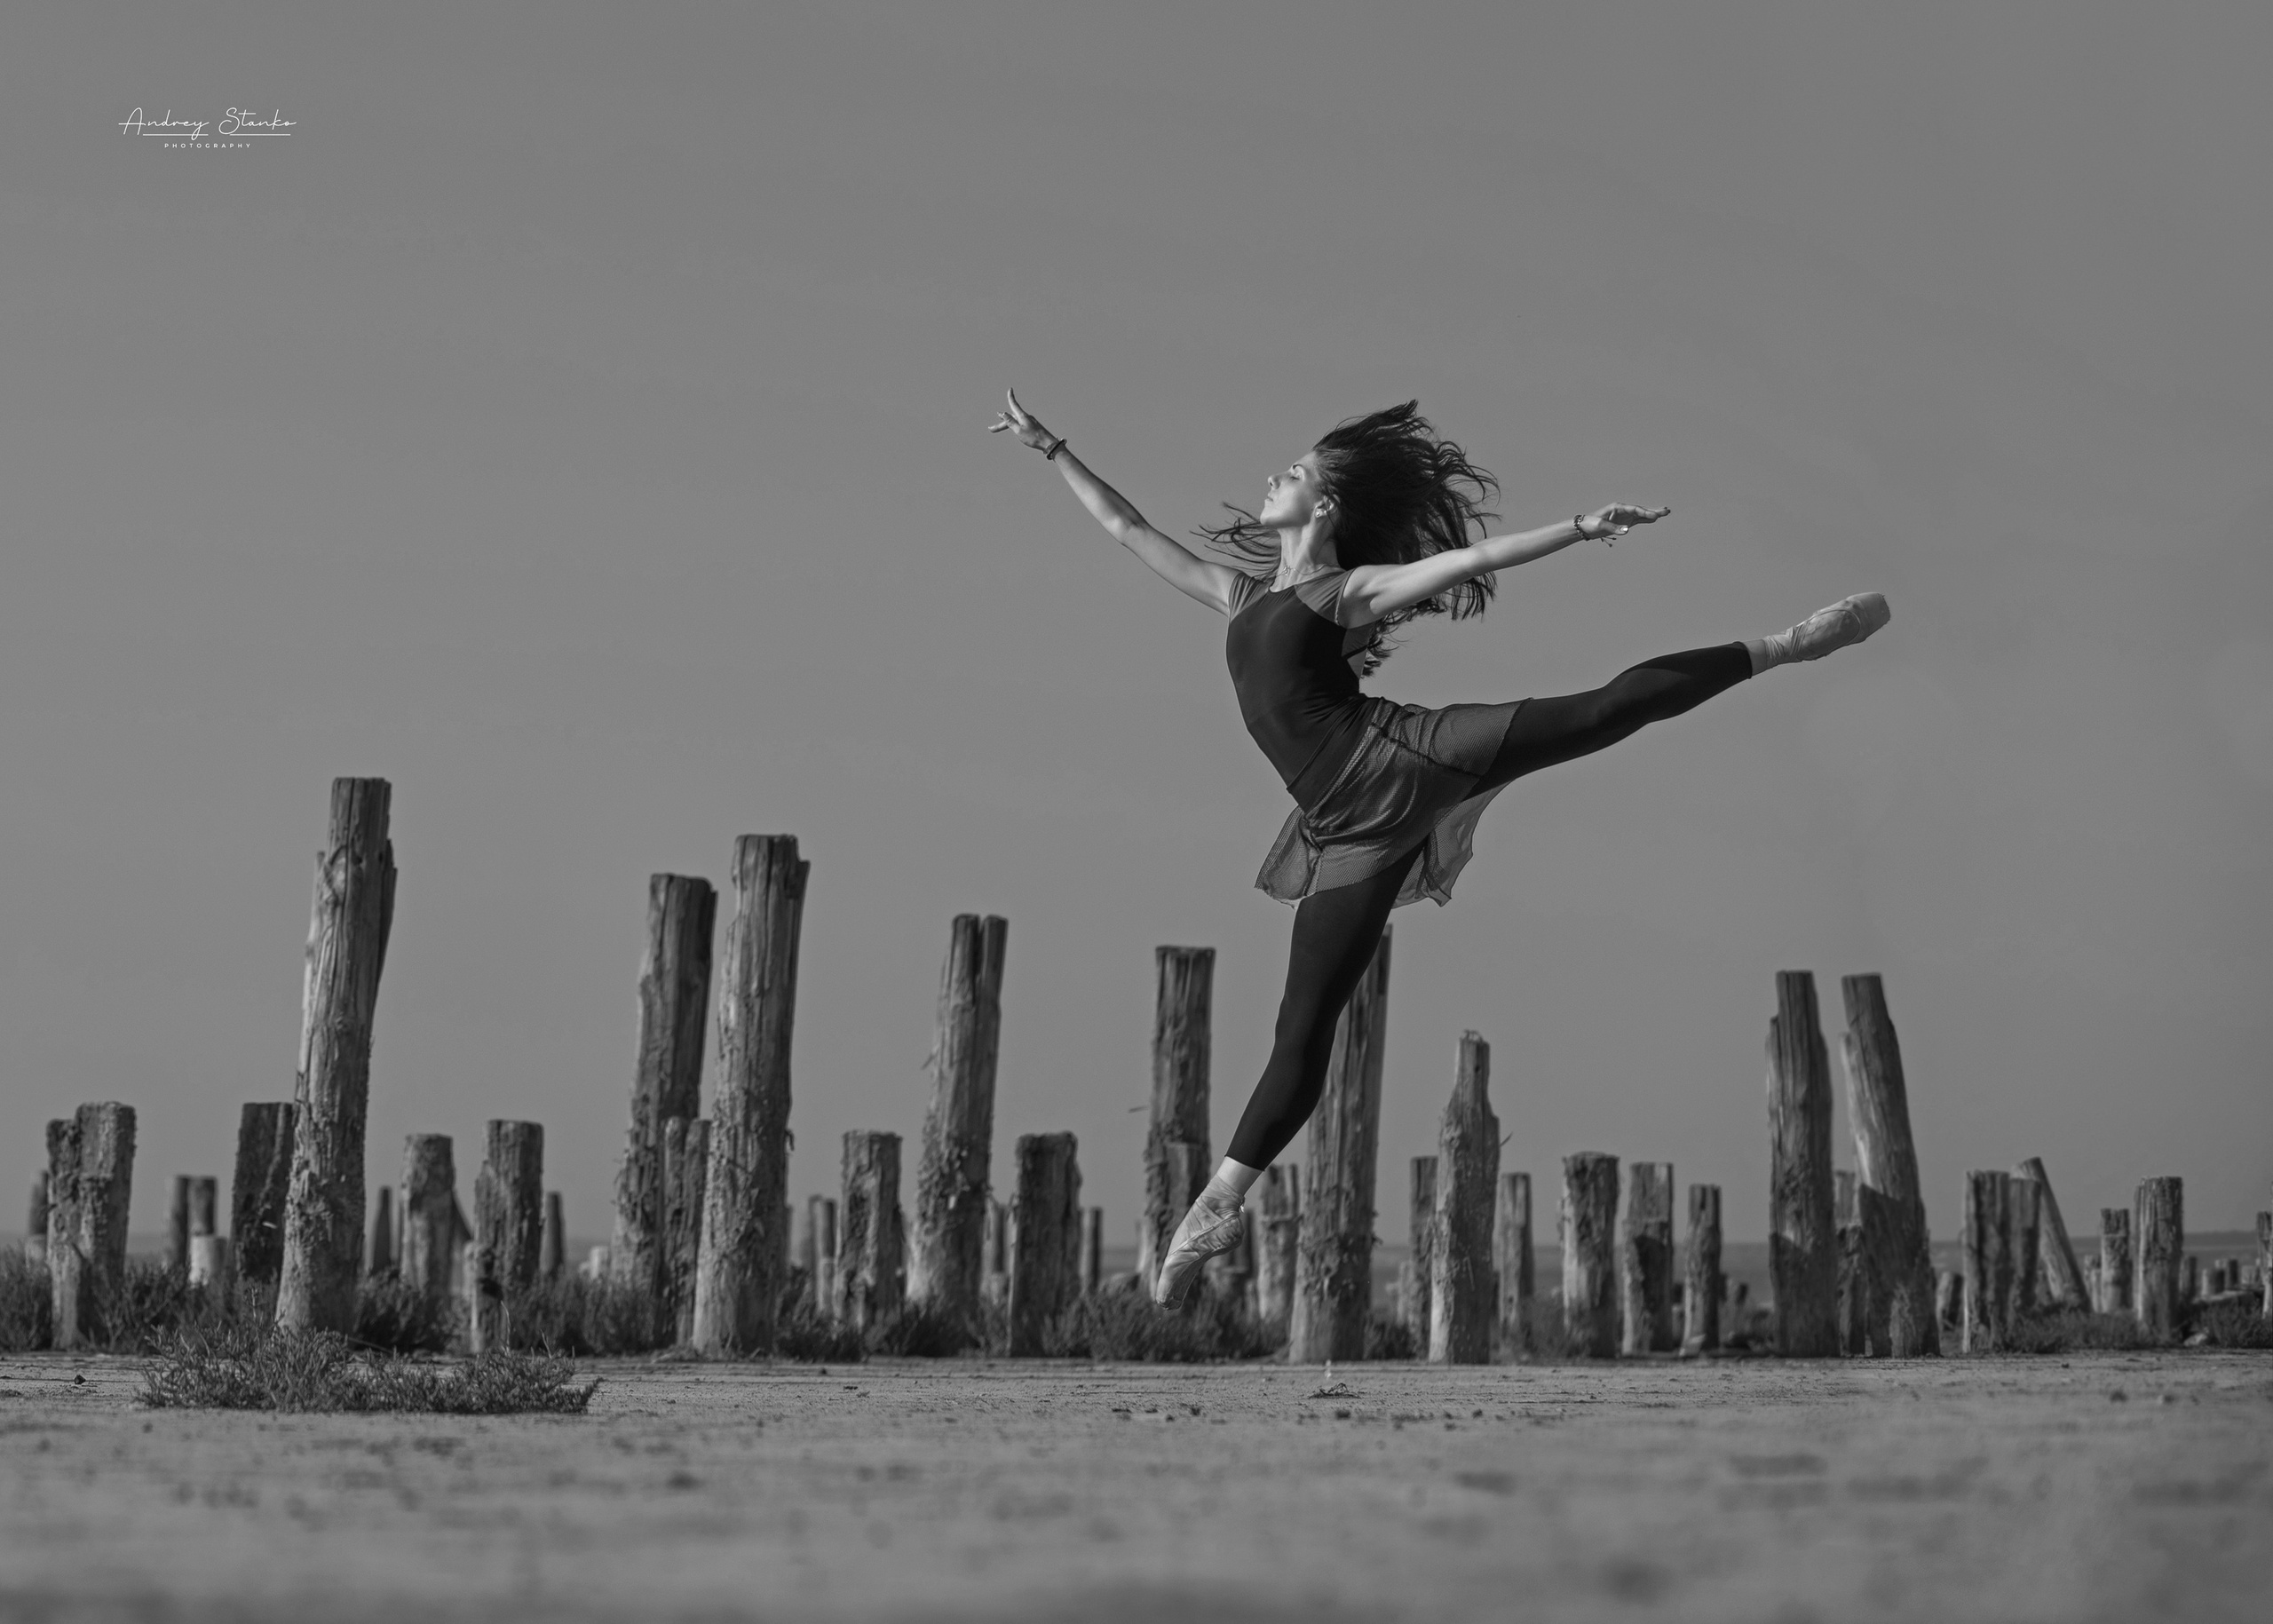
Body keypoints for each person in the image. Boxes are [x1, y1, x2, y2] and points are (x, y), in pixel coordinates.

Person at [987, 391, 1889, 1306]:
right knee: (1303, 1024)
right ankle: (1222, 1200)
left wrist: (1579, 527)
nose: (1271, 476)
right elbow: (1129, 528)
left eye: (1291, 472)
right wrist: (1052, 448)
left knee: (1600, 711)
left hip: (1403, 756)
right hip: (1340, 829)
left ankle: (1785, 645)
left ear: (1324, 505)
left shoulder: (1345, 591)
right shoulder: (1241, 595)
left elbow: (1475, 559)